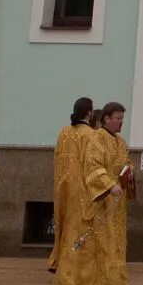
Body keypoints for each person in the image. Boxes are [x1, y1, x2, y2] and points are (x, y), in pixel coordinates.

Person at [54, 101, 134, 285]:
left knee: (115, 244)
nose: (121, 123)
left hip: (117, 202)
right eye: (118, 119)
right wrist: (109, 184)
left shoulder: (121, 142)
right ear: (106, 119)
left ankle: (115, 282)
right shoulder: (96, 138)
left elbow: (126, 163)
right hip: (102, 200)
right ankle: (102, 284)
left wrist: (130, 173)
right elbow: (92, 166)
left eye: (122, 119)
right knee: (99, 244)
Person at [47, 96, 92, 274]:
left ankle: (57, 260)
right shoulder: (90, 134)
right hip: (81, 188)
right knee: (78, 228)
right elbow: (91, 163)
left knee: (63, 224)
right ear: (89, 113)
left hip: (62, 186)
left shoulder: (64, 132)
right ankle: (71, 264)